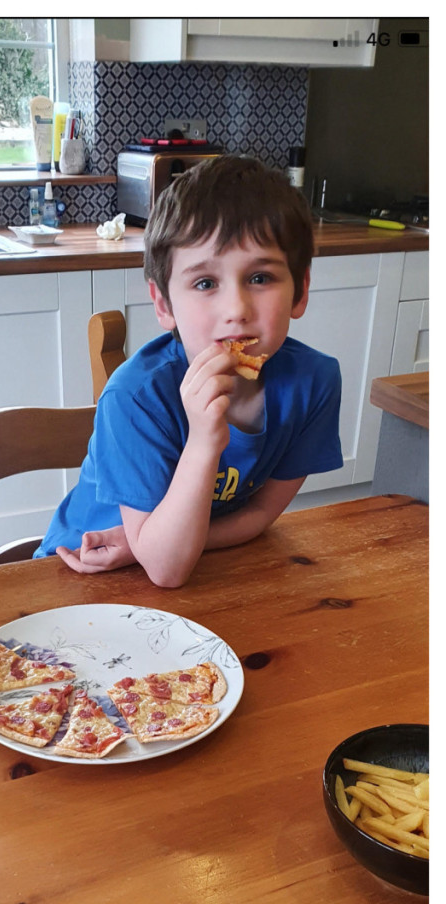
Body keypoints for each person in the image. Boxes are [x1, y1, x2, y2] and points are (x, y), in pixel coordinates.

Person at [34, 155, 342, 587]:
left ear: (300, 289)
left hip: (194, 565)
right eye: (205, 283)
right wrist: (203, 442)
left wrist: (145, 544)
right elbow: (166, 569)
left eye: (260, 278)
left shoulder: (315, 383)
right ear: (163, 304)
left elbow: (259, 515)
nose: (236, 311)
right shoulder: (136, 398)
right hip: (80, 574)